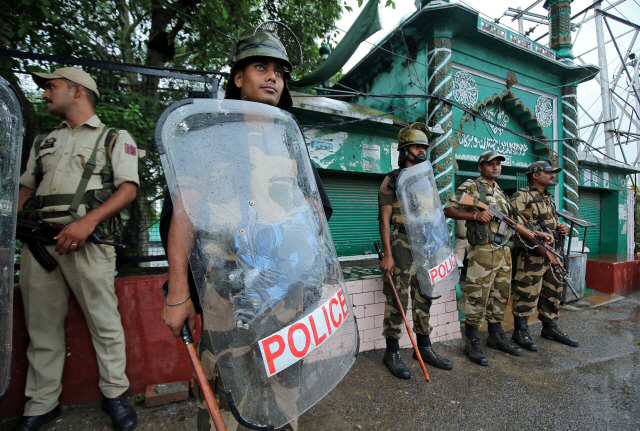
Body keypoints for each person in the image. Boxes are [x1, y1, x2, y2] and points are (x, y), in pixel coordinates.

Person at [159, 23, 332, 431]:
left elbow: (314, 207)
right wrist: (178, 291)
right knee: (226, 393)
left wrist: (318, 264)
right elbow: (185, 212)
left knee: (285, 390)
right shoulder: (207, 133)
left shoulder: (289, 138)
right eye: (261, 67)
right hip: (225, 294)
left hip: (287, 293)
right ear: (238, 77)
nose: (273, 76)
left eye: (280, 71)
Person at [13, 67, 139, 431]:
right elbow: (27, 186)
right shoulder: (42, 142)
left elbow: (127, 189)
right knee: (41, 326)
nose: (45, 93)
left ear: (77, 91)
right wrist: (21, 221)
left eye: (51, 87)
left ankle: (115, 394)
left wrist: (88, 222)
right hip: (40, 243)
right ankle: (41, 405)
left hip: (89, 241)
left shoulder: (113, 138)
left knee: (104, 322)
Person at [377, 123, 453, 379]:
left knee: (424, 296)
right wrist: (388, 255)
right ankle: (392, 352)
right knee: (397, 299)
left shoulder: (425, 182)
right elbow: (384, 220)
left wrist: (439, 247)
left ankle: (424, 347)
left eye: (424, 147)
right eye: (417, 146)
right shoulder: (391, 180)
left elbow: (434, 216)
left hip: (425, 245)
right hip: (401, 244)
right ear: (405, 149)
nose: (421, 151)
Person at [443, 151, 522, 366]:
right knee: (478, 296)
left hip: (505, 251)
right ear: (481, 167)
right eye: (491, 164)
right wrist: (475, 215)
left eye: (498, 164)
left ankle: (495, 336)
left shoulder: (502, 193)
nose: (495, 168)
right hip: (483, 251)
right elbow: (448, 209)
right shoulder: (471, 186)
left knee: (501, 295)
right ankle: (473, 340)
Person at [510, 161, 579, 351]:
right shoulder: (521, 197)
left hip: (553, 252)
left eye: (553, 172)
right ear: (535, 175)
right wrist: (535, 245)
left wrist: (561, 227)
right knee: (527, 291)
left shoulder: (550, 199)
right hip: (532, 254)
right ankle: (520, 331)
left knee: (553, 290)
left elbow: (550, 223)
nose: (552, 175)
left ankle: (550, 327)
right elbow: (515, 226)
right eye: (548, 172)